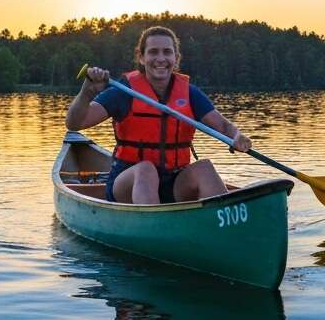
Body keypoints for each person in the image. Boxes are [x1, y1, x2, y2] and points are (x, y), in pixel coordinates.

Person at [66, 26, 252, 204]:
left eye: (167, 52)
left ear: (176, 57)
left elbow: (223, 126)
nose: (160, 58)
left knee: (205, 168)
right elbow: (74, 124)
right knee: (146, 170)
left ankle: (222, 223)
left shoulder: (189, 93)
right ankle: (152, 228)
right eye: (153, 52)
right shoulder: (123, 91)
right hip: (128, 184)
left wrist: (237, 136)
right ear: (141, 57)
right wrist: (86, 92)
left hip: (174, 181)